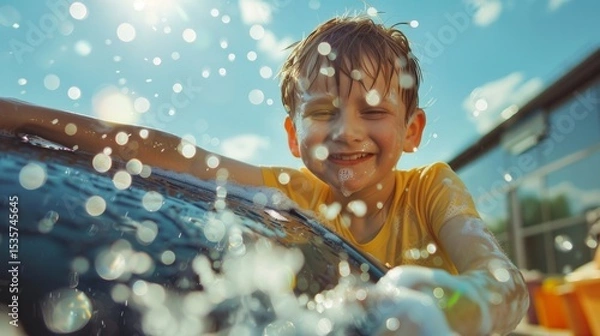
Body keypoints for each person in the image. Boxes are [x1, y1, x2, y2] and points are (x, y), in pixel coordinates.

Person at [1, 13, 529, 335]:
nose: (346, 132)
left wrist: (444, 313)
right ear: (294, 137)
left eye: (373, 111)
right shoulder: (291, 194)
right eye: (323, 112)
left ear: (412, 130)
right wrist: (27, 118)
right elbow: (172, 154)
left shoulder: (430, 188)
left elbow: (506, 286)